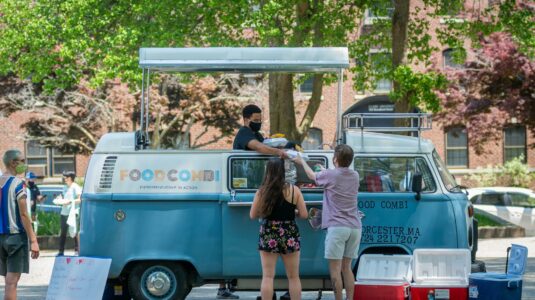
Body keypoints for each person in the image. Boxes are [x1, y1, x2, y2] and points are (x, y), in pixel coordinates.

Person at [293, 144, 361, 300]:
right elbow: (335, 175)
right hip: (355, 227)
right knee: (347, 268)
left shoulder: (331, 175)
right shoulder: (355, 175)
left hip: (337, 227)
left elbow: (311, 176)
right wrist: (324, 169)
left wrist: (301, 161)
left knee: (335, 270)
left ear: (335, 158)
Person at [250, 158, 308, 300]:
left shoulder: (262, 191)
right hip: (289, 233)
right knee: (294, 277)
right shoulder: (294, 190)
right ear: (283, 171)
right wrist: (292, 212)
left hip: (269, 233)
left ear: (268, 171)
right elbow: (304, 215)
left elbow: (252, 215)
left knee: (268, 276)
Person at [0, 150, 40, 300]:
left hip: (1, 237)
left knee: (8, 281)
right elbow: (24, 214)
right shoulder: (18, 184)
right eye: (23, 161)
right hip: (16, 238)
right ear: (13, 163)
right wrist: (34, 240)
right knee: (12, 283)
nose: (25, 164)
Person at [54, 171, 82, 256]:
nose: (64, 179)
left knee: (74, 231)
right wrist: (59, 199)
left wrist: (70, 202)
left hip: (73, 212)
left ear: (70, 178)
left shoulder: (75, 187)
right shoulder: (64, 187)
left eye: (66, 177)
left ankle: (77, 251)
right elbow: (63, 197)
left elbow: (80, 199)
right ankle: (61, 251)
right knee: (63, 232)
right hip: (64, 212)